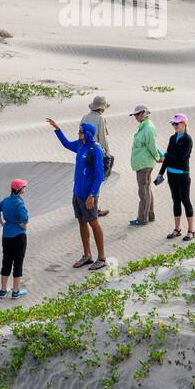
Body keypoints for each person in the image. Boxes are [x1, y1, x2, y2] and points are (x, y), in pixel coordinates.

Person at [46, 118, 107, 270]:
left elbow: (99, 175)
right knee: (81, 221)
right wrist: (57, 129)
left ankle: (102, 258)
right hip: (77, 192)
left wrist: (92, 195)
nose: (78, 133)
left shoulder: (96, 149)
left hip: (89, 195)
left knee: (94, 222)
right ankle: (87, 255)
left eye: (80, 131)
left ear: (87, 133)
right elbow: (66, 144)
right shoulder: (80, 145)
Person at [158, 114, 195, 241]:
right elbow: (167, 159)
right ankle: (177, 229)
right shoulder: (172, 138)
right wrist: (161, 173)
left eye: (177, 123)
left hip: (182, 174)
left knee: (185, 200)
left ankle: (191, 231)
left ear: (184, 124)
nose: (174, 126)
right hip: (171, 174)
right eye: (173, 124)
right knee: (175, 200)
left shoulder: (188, 139)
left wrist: (167, 155)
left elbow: (181, 158)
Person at [0, 179, 30, 300]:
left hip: (6, 235)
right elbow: (25, 219)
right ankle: (15, 291)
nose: (25, 188)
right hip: (19, 236)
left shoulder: (6, 201)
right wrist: (22, 225)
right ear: (19, 190)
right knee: (18, 262)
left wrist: (2, 223)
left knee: (6, 261)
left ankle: (3, 290)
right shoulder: (19, 203)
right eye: (24, 187)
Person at [128, 105, 163, 227]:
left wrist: (158, 157)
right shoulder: (144, 126)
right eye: (134, 115)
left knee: (143, 190)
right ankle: (150, 215)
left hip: (144, 164)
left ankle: (142, 218)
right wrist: (158, 155)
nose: (135, 117)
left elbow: (152, 145)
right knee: (146, 189)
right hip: (143, 163)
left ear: (143, 113)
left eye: (137, 114)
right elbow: (152, 144)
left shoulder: (147, 127)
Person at [82, 97, 113, 214]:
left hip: (84, 153)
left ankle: (86, 205)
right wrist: (107, 154)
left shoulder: (84, 118)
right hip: (96, 153)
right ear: (101, 108)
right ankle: (94, 208)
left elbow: (80, 136)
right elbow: (103, 139)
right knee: (97, 179)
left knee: (87, 178)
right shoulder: (100, 118)